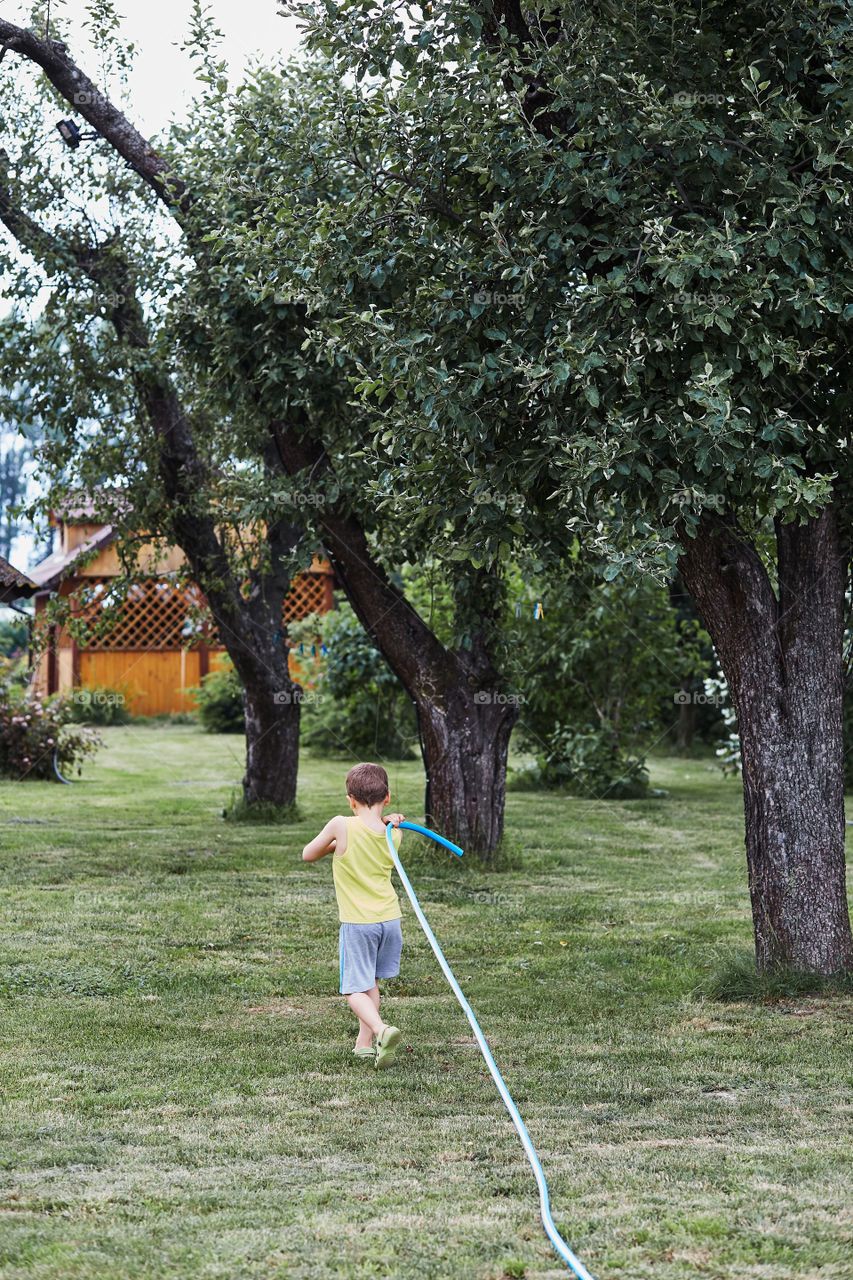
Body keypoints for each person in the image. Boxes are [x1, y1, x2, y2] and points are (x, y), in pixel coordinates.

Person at [302, 761, 406, 1069]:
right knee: (370, 982)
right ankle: (364, 1045)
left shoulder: (341, 825)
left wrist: (335, 846)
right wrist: (389, 821)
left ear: (350, 799)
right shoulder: (393, 834)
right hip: (390, 920)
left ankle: (381, 1030)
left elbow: (308, 854)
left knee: (352, 988)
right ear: (387, 797)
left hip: (359, 923)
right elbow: (371, 836)